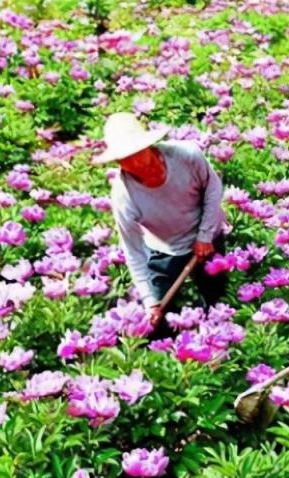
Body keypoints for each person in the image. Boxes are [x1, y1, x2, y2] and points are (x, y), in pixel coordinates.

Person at [93, 112, 228, 335]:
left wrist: (204, 235)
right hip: (166, 248)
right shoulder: (123, 196)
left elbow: (213, 189)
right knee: (157, 316)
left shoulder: (186, 155)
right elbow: (133, 250)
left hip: (207, 234)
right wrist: (149, 300)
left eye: (134, 153)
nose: (132, 163)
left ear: (147, 145)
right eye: (122, 159)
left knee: (216, 297)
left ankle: (220, 341)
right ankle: (171, 356)